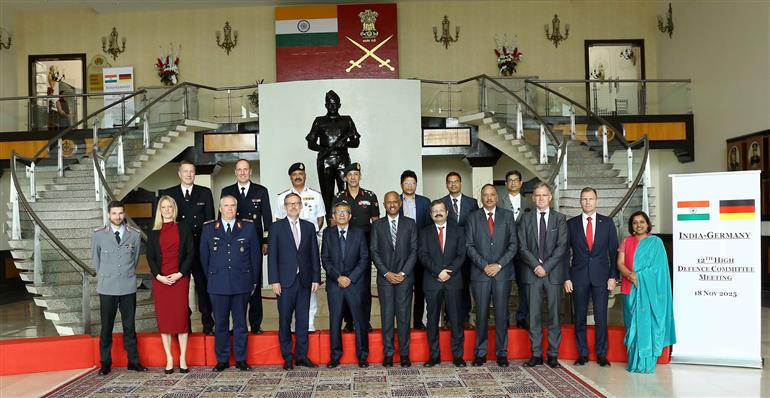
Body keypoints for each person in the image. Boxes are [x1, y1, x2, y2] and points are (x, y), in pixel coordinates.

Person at [200, 196, 262, 372]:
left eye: (232, 205)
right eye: (226, 206)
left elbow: (255, 258)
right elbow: (204, 258)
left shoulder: (248, 228)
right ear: (220, 208)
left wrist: (253, 282)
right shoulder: (209, 228)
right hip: (217, 284)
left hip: (241, 283)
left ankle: (241, 359)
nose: (229, 209)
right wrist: (212, 277)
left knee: (241, 323)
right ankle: (222, 359)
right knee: (220, 324)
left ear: (237, 208)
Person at [159, 160, 215, 335]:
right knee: (179, 290)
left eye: (191, 171)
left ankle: (208, 324)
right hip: (179, 251)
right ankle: (184, 325)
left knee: (203, 287)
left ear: (195, 173)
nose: (189, 174)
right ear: (179, 173)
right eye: (185, 171)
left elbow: (210, 222)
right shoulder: (169, 194)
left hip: (199, 249)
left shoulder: (204, 193)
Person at [565, 187, 619, 367]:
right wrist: (566, 277)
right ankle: (583, 354)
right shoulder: (571, 224)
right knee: (579, 316)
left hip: (602, 277)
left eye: (591, 199)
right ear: (580, 201)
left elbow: (613, 251)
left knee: (601, 317)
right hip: (578, 277)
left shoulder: (608, 223)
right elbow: (565, 254)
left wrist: (613, 276)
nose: (587, 202)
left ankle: (602, 354)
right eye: (584, 199)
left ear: (597, 201)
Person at [92, 200, 147, 375]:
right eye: (114, 213)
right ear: (109, 214)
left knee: (129, 326)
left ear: (124, 214)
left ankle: (134, 361)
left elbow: (135, 259)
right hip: (107, 286)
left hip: (127, 285)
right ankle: (105, 363)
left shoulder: (134, 235)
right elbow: (96, 259)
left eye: (121, 213)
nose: (118, 216)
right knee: (106, 327)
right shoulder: (99, 234)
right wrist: (106, 275)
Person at [516, 183, 568, 369]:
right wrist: (536, 266)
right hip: (532, 273)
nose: (540, 198)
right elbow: (522, 247)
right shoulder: (526, 219)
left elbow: (561, 247)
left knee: (554, 315)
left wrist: (545, 267)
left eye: (544, 195)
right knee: (534, 315)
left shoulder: (560, 219)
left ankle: (553, 354)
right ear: (533, 198)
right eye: (537, 195)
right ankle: (536, 354)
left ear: (550, 197)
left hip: (553, 274)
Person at [465, 184, 518, 367]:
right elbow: (469, 245)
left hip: (502, 273)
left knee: (502, 313)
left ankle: (502, 352)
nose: (488, 198)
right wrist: (484, 265)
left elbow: (513, 244)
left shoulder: (507, 216)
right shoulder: (472, 217)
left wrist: (499, 264)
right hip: (480, 274)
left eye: (492, 195)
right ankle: (480, 352)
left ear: (497, 197)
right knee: (481, 313)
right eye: (485, 195)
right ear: (481, 197)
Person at [617, 211, 676, 373]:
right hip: (630, 289)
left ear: (648, 223)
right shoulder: (626, 241)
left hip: (649, 292)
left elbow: (659, 269)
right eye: (635, 222)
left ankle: (646, 363)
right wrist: (631, 275)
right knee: (632, 327)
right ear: (631, 226)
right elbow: (620, 263)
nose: (639, 225)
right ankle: (634, 362)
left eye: (642, 221)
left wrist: (640, 277)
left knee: (648, 325)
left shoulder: (655, 242)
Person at [268, 193, 322, 371]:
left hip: (305, 281)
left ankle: (301, 356)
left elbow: (314, 254)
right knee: (284, 320)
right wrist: (274, 280)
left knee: (302, 319)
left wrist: (316, 278)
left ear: (301, 206)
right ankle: (287, 356)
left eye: (296, 203)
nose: (293, 207)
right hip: (284, 282)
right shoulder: (276, 228)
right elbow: (272, 257)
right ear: (284, 207)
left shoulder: (308, 227)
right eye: (289, 204)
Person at [220, 159, 272, 334]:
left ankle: (256, 324)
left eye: (245, 170)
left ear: (250, 171)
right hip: (232, 245)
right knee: (235, 284)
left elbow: (268, 219)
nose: (242, 173)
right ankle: (238, 324)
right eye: (239, 170)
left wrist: (265, 242)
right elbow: (220, 218)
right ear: (235, 172)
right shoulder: (227, 192)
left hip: (255, 244)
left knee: (255, 283)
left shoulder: (261, 191)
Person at [275, 162, 326, 332]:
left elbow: (320, 219)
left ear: (305, 176)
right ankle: (290, 327)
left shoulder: (315, 196)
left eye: (300, 174)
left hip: (308, 244)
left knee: (309, 287)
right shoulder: (282, 197)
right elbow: (278, 222)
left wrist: (312, 234)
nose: (298, 176)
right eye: (294, 174)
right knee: (289, 293)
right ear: (290, 177)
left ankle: (309, 324)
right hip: (289, 249)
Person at [147, 195, 194, 374]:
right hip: (161, 281)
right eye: (164, 207)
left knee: (181, 319)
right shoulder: (153, 232)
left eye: (170, 207)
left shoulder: (183, 228)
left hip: (179, 279)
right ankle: (169, 358)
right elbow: (150, 257)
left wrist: (180, 274)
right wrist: (158, 276)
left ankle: (183, 357)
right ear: (160, 210)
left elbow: (190, 252)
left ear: (174, 209)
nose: (167, 210)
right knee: (165, 320)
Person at [370, 192, 418, 367]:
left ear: (400, 203)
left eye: (394, 202)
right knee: (387, 317)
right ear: (384, 205)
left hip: (405, 279)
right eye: (388, 202)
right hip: (385, 279)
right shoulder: (377, 225)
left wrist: (403, 273)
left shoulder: (410, 224)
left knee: (404, 317)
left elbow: (414, 250)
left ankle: (404, 354)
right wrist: (386, 273)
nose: (392, 205)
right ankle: (388, 353)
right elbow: (374, 251)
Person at [321, 201, 370, 368]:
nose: (341, 215)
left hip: (355, 284)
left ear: (350, 215)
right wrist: (338, 277)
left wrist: (351, 278)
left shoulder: (359, 233)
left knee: (360, 320)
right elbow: (325, 259)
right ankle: (335, 355)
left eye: (345, 212)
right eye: (338, 212)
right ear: (333, 216)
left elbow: (364, 258)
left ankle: (363, 355)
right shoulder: (328, 233)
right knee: (335, 321)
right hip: (335, 285)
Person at [418, 200, 467, 368]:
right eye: (434, 211)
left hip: (453, 281)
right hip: (432, 281)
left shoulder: (459, 231)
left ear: (447, 212)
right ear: (431, 214)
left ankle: (458, 356)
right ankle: (434, 356)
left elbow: (462, 254)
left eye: (441, 210)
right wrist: (437, 272)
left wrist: (448, 271)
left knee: (456, 319)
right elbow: (422, 255)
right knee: (432, 320)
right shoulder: (424, 233)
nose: (438, 213)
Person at [332, 162, 379, 332]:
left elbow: (376, 224)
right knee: (345, 285)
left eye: (356, 174)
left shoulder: (370, 195)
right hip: (344, 248)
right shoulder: (338, 196)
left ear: (360, 176)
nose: (353, 177)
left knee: (364, 287)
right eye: (349, 174)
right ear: (345, 177)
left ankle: (364, 321)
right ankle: (349, 321)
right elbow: (333, 223)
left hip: (363, 248)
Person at [306, 90, 361, 219]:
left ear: (339, 105)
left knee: (345, 192)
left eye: (334, 104)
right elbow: (310, 142)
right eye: (329, 104)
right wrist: (321, 149)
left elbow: (356, 141)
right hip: (325, 161)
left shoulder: (346, 120)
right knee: (327, 193)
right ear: (325, 105)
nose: (332, 106)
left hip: (343, 160)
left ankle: (347, 221)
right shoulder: (319, 121)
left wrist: (346, 144)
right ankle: (330, 222)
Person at [441, 171, 479, 330]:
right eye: (450, 182)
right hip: (448, 253)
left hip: (468, 251)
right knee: (449, 286)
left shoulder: (472, 203)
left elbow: (477, 227)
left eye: (456, 181)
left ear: (461, 183)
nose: (453, 184)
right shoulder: (441, 203)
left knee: (464, 285)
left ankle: (465, 318)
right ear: (446, 184)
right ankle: (448, 318)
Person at [500, 170, 536, 330]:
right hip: (504, 251)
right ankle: (504, 317)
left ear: (521, 183)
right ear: (506, 184)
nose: (513, 183)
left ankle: (522, 316)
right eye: (510, 180)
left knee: (524, 285)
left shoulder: (530, 204)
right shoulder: (499, 203)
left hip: (524, 251)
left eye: (516, 180)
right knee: (504, 286)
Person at [398, 170, 431, 330]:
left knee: (420, 289)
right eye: (406, 183)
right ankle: (402, 324)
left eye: (412, 183)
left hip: (419, 252)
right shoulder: (394, 201)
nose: (410, 186)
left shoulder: (425, 202)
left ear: (416, 185)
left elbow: (427, 228)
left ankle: (418, 322)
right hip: (400, 254)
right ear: (401, 185)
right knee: (402, 290)